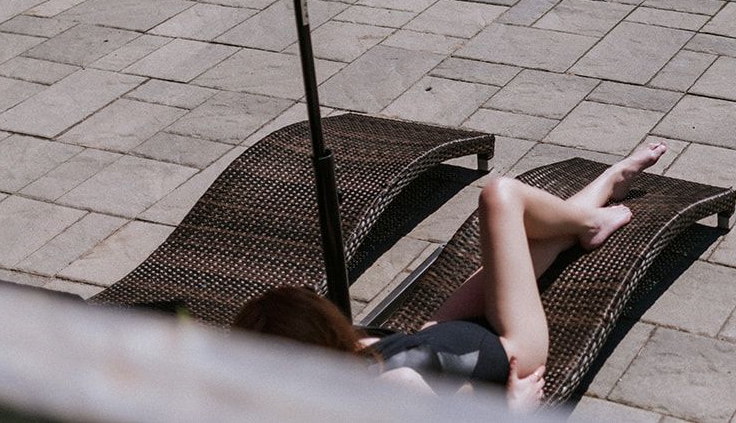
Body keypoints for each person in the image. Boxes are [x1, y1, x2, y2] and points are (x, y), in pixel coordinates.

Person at [233, 141, 668, 412]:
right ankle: (593, 216)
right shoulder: (395, 388)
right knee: (502, 197)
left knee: (536, 240)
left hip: (440, 337)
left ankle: (609, 183)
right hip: (513, 347)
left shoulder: (331, 373)